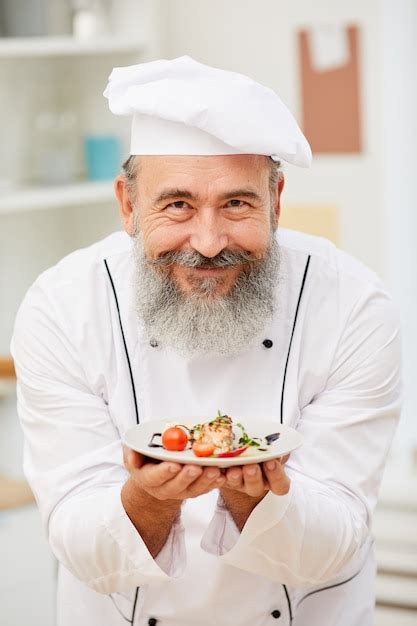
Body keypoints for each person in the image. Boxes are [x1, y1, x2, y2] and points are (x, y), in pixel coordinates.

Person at [11, 56, 401, 626]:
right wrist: (151, 499)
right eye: (178, 205)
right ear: (127, 205)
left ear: (276, 200)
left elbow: (338, 537)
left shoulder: (353, 305)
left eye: (237, 203)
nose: (210, 241)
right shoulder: (63, 306)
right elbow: (75, 535)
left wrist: (252, 496)